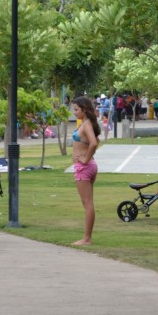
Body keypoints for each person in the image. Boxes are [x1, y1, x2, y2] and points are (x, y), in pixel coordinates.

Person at [70, 96, 100, 245]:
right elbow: (94, 141)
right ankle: (87, 237)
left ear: (84, 109)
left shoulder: (86, 124)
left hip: (84, 167)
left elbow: (93, 143)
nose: (74, 113)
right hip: (87, 166)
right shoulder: (87, 124)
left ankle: (87, 238)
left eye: (76, 110)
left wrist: (85, 159)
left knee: (87, 203)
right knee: (88, 203)